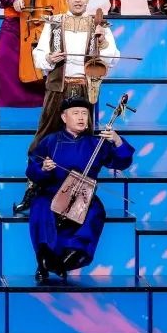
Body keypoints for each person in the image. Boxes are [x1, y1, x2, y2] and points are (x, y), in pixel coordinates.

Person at [26, 96, 134, 281]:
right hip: (52, 191)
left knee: (95, 212)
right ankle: (44, 259)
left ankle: (67, 259)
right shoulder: (50, 141)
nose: (81, 117)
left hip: (84, 195)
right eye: (75, 113)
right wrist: (43, 168)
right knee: (41, 208)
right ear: (64, 117)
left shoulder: (97, 143)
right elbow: (32, 169)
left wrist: (117, 141)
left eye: (84, 113)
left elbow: (122, 162)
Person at [30, 0, 120, 148]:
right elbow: (38, 55)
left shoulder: (99, 24)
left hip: (86, 89)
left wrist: (102, 42)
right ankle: (40, 165)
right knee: (46, 136)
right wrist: (49, 58)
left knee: (84, 139)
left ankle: (81, 166)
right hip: (57, 88)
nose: (77, 0)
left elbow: (113, 59)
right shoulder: (54, 22)